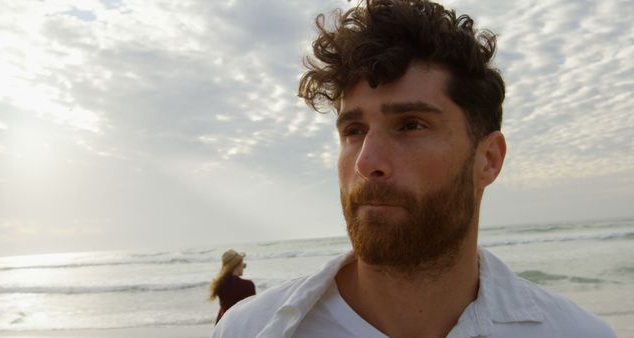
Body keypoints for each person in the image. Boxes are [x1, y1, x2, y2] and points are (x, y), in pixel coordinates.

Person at [212, 0, 616, 337]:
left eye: (411, 125)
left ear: (488, 159)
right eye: (353, 130)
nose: (368, 163)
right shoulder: (250, 330)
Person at [208, 249, 255, 324]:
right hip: (239, 325)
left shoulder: (219, 284)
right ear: (237, 265)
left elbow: (223, 309)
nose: (243, 267)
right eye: (243, 265)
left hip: (223, 324)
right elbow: (251, 311)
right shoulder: (248, 285)